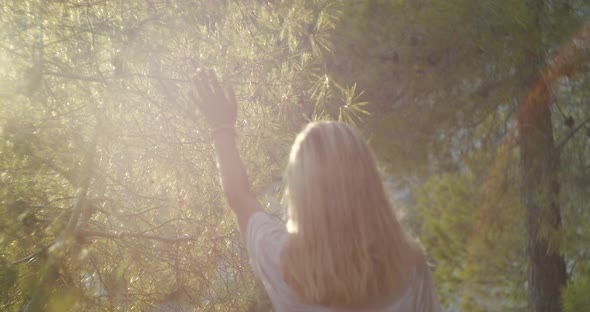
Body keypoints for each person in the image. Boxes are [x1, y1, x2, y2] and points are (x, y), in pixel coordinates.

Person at [190, 70, 441, 312]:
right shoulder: (409, 265)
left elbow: (239, 196)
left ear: (301, 192)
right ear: (369, 183)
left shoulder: (284, 264)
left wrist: (221, 127)